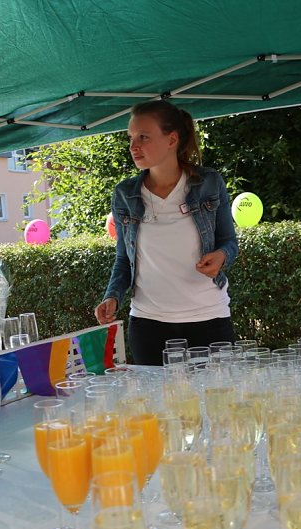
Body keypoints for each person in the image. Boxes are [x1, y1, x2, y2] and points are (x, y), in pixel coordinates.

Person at [94, 100, 238, 365]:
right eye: (131, 138)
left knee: (217, 393)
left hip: (209, 319)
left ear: (172, 139)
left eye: (143, 137)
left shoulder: (209, 183)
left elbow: (229, 242)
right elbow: (124, 259)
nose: (133, 146)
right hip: (148, 325)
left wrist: (221, 256)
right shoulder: (124, 194)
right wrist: (112, 296)